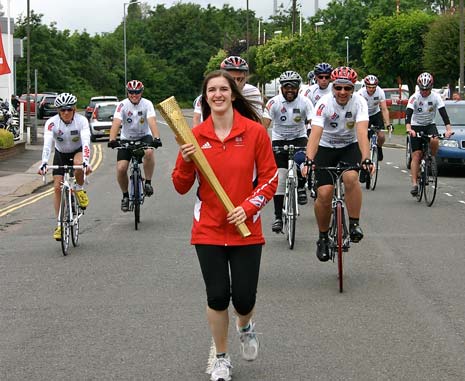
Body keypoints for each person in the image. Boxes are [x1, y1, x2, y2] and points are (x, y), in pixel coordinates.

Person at [172, 70, 278, 381]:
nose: (217, 94)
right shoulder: (196, 137)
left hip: (246, 230)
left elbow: (270, 178)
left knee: (244, 299)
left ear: (233, 94)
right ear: (205, 98)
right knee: (217, 296)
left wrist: (247, 208)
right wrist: (185, 159)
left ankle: (245, 326)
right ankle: (221, 358)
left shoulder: (255, 132)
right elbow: (180, 186)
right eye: (211, 90)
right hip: (209, 229)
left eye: (223, 89)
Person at [305, 66, 372, 262]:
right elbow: (315, 134)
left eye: (347, 88)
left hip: (349, 146)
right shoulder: (324, 103)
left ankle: (354, 223)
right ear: (333, 87)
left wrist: (366, 158)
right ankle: (323, 237)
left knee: (351, 177)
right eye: (339, 88)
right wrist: (309, 159)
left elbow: (361, 132)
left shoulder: (359, 102)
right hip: (326, 148)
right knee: (324, 194)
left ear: (353, 89)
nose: (343, 92)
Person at [263, 70, 314, 233]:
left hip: (299, 138)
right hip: (279, 140)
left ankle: (301, 187)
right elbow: (264, 125)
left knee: (302, 162)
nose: (290, 90)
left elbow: (313, 122)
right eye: (286, 86)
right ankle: (278, 217)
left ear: (298, 87)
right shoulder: (274, 103)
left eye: (293, 86)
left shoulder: (305, 102)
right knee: (281, 177)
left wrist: (314, 140)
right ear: (281, 88)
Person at [37, 93, 92, 240]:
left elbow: (86, 142)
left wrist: (86, 161)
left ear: (74, 109)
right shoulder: (52, 123)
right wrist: (43, 163)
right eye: (62, 110)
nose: (66, 113)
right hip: (60, 154)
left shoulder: (82, 121)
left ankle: (79, 190)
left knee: (78, 164)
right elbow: (47, 144)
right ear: (58, 111)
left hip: (78, 151)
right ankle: (60, 225)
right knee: (56, 188)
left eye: (69, 109)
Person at [108, 80, 162, 212]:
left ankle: (148, 182)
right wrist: (112, 139)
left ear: (141, 92)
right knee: (121, 168)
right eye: (131, 92)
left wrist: (156, 138)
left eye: (137, 92)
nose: (134, 95)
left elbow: (151, 121)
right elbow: (116, 122)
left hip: (144, 136)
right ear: (128, 93)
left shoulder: (147, 104)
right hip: (126, 138)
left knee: (149, 152)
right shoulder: (122, 105)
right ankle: (125, 196)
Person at [406, 72, 453, 196]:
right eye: (422, 89)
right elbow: (408, 114)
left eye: (427, 89)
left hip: (429, 125)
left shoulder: (436, 97)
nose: (425, 92)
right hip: (416, 125)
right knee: (416, 155)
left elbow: (443, 114)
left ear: (431, 88)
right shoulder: (414, 97)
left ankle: (430, 158)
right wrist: (409, 128)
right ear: (419, 88)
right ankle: (415, 184)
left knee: (435, 140)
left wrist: (449, 129)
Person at [192, 56, 263, 127]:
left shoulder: (253, 91)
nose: (236, 83)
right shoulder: (209, 95)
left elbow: (258, 119)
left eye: (240, 79)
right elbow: (197, 119)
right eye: (231, 79)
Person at [357, 74, 393, 162]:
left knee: (381, 136)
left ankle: (379, 147)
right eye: (369, 87)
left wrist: (388, 124)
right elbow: (357, 109)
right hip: (364, 114)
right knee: (365, 137)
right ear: (366, 86)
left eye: (373, 87)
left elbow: (384, 109)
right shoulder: (360, 93)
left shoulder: (380, 92)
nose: (371, 89)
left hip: (376, 113)